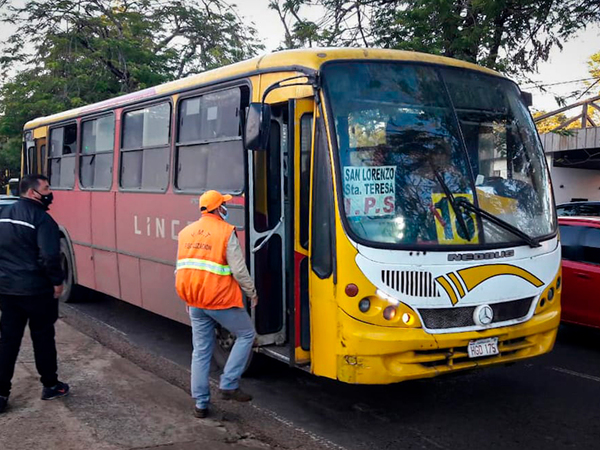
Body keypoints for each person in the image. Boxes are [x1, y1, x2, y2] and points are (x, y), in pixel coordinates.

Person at [176, 190, 258, 419]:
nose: (226, 208)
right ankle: (229, 383)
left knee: (201, 351)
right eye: (224, 204)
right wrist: (252, 292)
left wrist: (188, 299)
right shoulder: (225, 232)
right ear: (217, 208)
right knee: (246, 335)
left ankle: (201, 404)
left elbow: (182, 268)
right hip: (220, 300)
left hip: (195, 301)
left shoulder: (186, 233)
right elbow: (239, 269)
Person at [0, 174, 70, 414]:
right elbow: (50, 256)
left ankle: (1, 394)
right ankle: (50, 385)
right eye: (46, 188)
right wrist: (57, 282)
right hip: (37, 291)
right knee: (42, 338)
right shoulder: (43, 220)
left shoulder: (3, 217)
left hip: (8, 291)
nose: (50, 192)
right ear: (33, 193)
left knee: (8, 341)